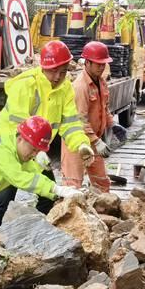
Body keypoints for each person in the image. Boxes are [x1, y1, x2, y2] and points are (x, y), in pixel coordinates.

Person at [0, 40, 95, 229]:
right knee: (3, 198)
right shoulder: (26, 85)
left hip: (34, 150)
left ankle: (36, 233)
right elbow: (18, 121)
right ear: (43, 67)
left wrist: (81, 144)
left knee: (49, 194)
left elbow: (70, 123)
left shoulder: (65, 89)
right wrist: (36, 150)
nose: (57, 76)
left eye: (62, 72)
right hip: (10, 146)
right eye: (52, 71)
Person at [61, 41, 115, 193]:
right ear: (88, 63)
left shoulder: (101, 82)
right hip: (76, 142)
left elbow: (104, 108)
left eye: (103, 63)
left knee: (102, 183)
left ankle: (103, 213)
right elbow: (80, 120)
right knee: (73, 187)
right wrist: (97, 142)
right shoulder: (80, 86)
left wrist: (112, 125)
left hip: (93, 140)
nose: (102, 67)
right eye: (98, 64)